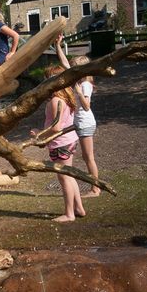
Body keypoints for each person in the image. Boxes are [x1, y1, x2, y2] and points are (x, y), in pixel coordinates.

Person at [32, 66, 85, 222]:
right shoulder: (67, 96)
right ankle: (79, 208)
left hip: (61, 143)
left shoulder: (56, 100)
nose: (44, 82)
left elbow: (56, 127)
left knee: (64, 178)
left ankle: (69, 214)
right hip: (70, 140)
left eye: (46, 79)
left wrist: (39, 134)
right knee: (70, 175)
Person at [55, 36, 100, 197]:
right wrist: (58, 45)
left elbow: (87, 106)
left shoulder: (85, 85)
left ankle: (95, 189)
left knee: (89, 158)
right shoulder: (77, 80)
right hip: (77, 122)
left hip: (85, 123)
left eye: (75, 69)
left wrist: (79, 92)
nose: (72, 71)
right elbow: (64, 64)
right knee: (78, 155)